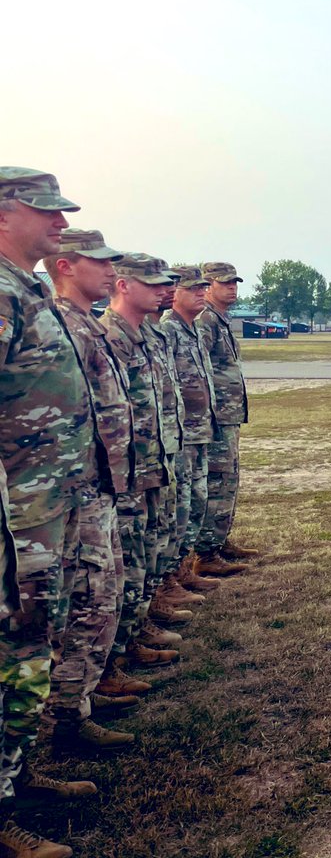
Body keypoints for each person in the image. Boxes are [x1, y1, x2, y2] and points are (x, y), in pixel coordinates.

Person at [0, 167, 94, 858]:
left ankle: (18, 775)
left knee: (32, 645)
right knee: (13, 650)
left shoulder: (25, 287)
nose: (61, 225)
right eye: (47, 211)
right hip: (14, 516)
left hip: (43, 507)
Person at [42, 230, 141, 753]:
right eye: (96, 262)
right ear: (64, 266)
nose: (108, 271)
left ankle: (78, 702)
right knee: (84, 601)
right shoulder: (58, 323)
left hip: (99, 485)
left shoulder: (84, 324)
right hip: (71, 491)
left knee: (102, 594)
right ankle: (64, 720)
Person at [100, 253, 181, 691]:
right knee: (125, 565)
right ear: (124, 285)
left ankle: (135, 635)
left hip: (152, 463)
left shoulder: (144, 335)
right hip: (124, 473)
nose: (162, 290)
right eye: (151, 284)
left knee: (147, 554)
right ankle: (110, 665)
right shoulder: (108, 336)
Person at [162, 267, 221, 588]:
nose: (201, 292)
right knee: (180, 506)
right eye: (193, 288)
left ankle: (184, 570)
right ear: (175, 293)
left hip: (200, 431)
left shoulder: (194, 329)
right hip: (181, 435)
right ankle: (171, 578)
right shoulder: (168, 329)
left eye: (203, 288)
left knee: (197, 501)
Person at [195, 262, 254, 573]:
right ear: (208, 286)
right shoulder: (205, 320)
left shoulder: (220, 320)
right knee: (216, 480)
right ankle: (205, 553)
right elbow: (197, 370)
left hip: (228, 414)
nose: (232, 287)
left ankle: (218, 540)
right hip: (215, 415)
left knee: (228, 478)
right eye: (225, 283)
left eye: (235, 283)